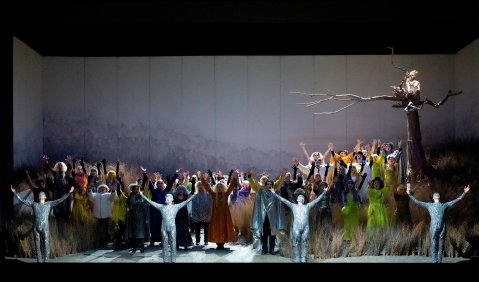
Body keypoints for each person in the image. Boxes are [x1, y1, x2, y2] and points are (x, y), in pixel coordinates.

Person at [407, 183, 470, 263]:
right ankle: (438, 261)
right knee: (440, 246)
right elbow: (456, 200)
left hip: (434, 228)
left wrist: (409, 194)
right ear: (439, 198)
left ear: (433, 198)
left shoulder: (429, 205)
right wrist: (464, 193)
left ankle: (435, 261)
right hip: (442, 228)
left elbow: (416, 201)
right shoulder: (444, 205)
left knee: (434, 245)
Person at [11, 185, 74, 262]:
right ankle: (39, 261)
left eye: (43, 194)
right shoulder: (34, 204)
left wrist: (68, 193)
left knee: (46, 244)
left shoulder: (49, 204)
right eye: (40, 194)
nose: (41, 194)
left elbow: (60, 200)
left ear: (45, 197)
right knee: (37, 246)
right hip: (36, 227)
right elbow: (23, 200)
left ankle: (46, 260)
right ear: (39, 197)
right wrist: (15, 193)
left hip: (45, 227)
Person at [270, 185, 328, 263]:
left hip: (305, 228)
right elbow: (284, 200)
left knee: (304, 242)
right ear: (297, 199)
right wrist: (274, 193)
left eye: (302, 197)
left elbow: (316, 200)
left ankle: (303, 257)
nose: (301, 198)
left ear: (303, 200)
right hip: (296, 228)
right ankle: (297, 257)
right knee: (296, 243)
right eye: (300, 197)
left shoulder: (307, 206)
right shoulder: (293, 206)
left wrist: (324, 192)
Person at [140, 192, 196, 263]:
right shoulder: (161, 207)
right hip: (164, 228)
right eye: (166, 197)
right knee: (164, 244)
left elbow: (186, 201)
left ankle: (173, 260)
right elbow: (151, 202)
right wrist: (142, 195)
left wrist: (195, 194)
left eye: (168, 197)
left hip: (172, 228)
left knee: (173, 244)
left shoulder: (176, 207)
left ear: (172, 199)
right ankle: (165, 261)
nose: (166, 198)